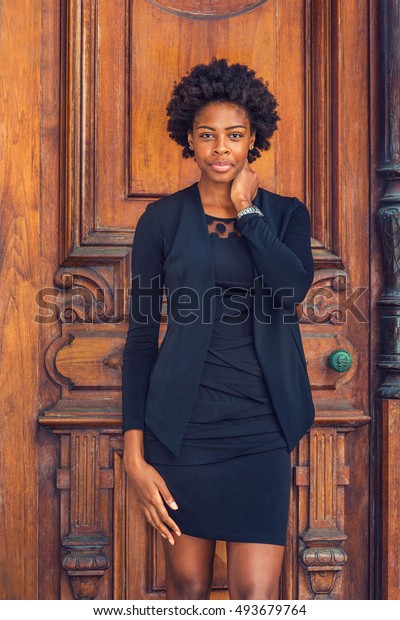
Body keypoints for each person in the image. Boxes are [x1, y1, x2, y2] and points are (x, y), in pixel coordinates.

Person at [122, 58, 315, 600]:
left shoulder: (285, 215)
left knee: (256, 596)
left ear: (254, 138)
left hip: (261, 427)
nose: (221, 148)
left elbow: (290, 288)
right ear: (190, 138)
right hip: (182, 432)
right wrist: (135, 456)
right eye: (207, 136)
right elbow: (141, 341)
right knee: (188, 591)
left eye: (234, 135)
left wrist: (246, 212)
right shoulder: (161, 220)